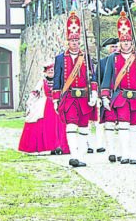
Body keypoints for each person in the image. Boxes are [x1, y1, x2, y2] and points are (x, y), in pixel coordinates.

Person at [100, 12, 136, 165]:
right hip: (121, 97)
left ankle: (133, 154)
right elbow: (106, 78)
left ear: (132, 42)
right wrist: (105, 96)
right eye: (123, 42)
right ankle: (124, 154)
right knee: (123, 126)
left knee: (135, 127)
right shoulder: (113, 57)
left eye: (128, 41)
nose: (126, 44)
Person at [52, 12, 98, 168]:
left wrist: (94, 93)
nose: (75, 43)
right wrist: (56, 98)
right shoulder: (60, 58)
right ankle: (73, 155)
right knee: (71, 125)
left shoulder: (86, 57)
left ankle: (81, 155)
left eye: (77, 40)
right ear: (68, 41)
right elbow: (57, 80)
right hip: (69, 97)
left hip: (84, 96)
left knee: (84, 126)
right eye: (72, 40)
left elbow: (92, 76)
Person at [18, 62, 69, 155]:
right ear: (45, 72)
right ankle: (51, 146)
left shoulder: (59, 80)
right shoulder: (42, 81)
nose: (51, 72)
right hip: (46, 105)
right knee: (48, 126)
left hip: (58, 103)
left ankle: (61, 146)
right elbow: (36, 91)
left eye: (52, 70)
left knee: (60, 125)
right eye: (49, 70)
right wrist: (30, 102)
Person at [96, 38, 119, 162]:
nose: (115, 49)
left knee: (122, 125)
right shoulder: (102, 63)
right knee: (106, 123)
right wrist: (100, 96)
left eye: (116, 47)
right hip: (107, 96)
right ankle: (107, 148)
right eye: (112, 47)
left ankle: (121, 151)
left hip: (120, 96)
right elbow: (98, 80)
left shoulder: (123, 60)